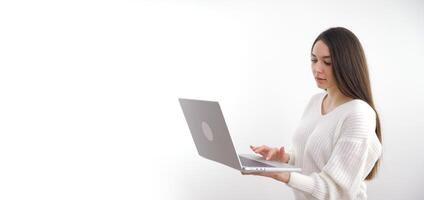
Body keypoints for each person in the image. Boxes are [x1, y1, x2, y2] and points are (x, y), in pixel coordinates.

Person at [242, 27, 382, 200]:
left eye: (327, 62)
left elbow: (336, 190)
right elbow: (312, 162)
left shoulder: (358, 114)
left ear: (347, 64)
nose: (317, 69)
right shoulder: (316, 101)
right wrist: (285, 159)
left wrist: (282, 174)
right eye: (314, 60)